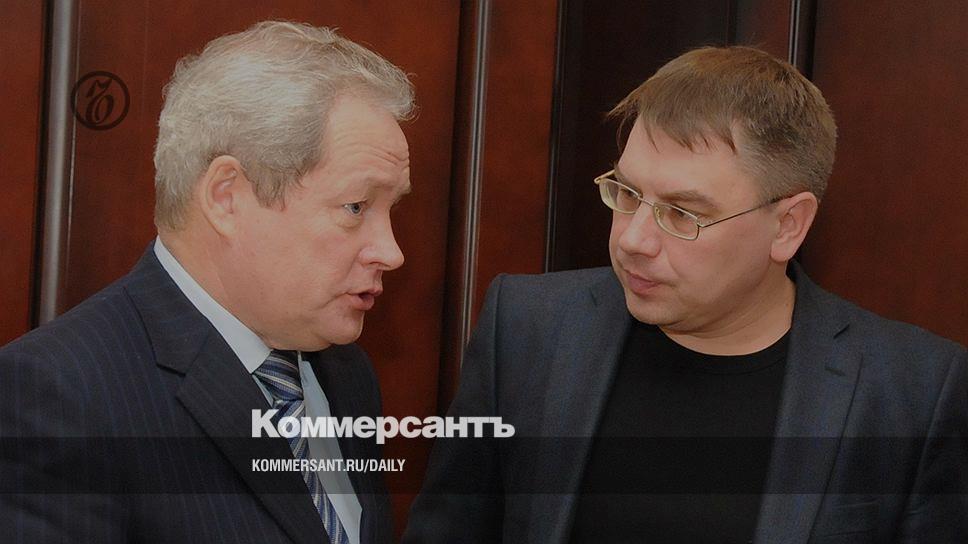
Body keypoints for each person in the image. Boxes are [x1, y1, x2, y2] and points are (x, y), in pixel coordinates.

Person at [403, 46, 967, 543]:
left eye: (682, 214)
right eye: (626, 193)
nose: (633, 240)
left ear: (787, 225)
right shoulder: (528, 330)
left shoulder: (913, 392)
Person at [0, 21, 413, 543]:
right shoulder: (57, 396)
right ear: (226, 198)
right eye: (355, 206)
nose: (392, 253)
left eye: (391, 209)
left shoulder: (346, 374)